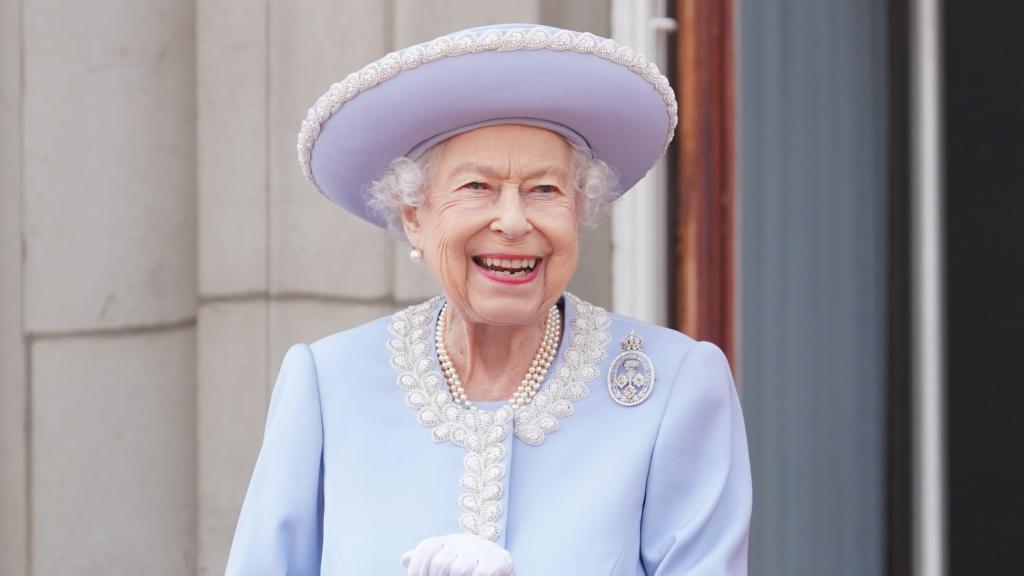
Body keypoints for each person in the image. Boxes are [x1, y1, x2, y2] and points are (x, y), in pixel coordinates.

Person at [225, 23, 751, 576]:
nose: (513, 221)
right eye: (476, 187)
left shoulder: (674, 387)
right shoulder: (329, 382)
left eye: (544, 190)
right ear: (414, 216)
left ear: (579, 211)